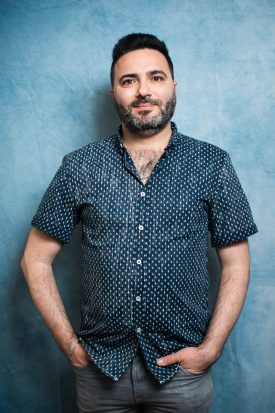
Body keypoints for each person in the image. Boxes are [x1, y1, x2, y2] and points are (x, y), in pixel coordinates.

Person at [21, 33, 258, 413]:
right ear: (114, 91)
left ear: (173, 85)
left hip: (181, 374)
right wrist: (70, 347)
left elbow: (236, 262)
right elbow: (34, 260)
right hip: (99, 372)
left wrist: (210, 348)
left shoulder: (213, 165)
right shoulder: (79, 167)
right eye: (128, 81)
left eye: (156, 78)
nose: (143, 91)